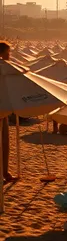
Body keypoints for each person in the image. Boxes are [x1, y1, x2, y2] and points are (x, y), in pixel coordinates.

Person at [0, 41, 15, 183]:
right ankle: (4, 172)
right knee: (3, 143)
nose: (9, 56)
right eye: (8, 53)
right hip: (1, 109)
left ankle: (5, 172)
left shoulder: (7, 69)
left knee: (5, 143)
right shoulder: (4, 69)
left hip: (3, 110)